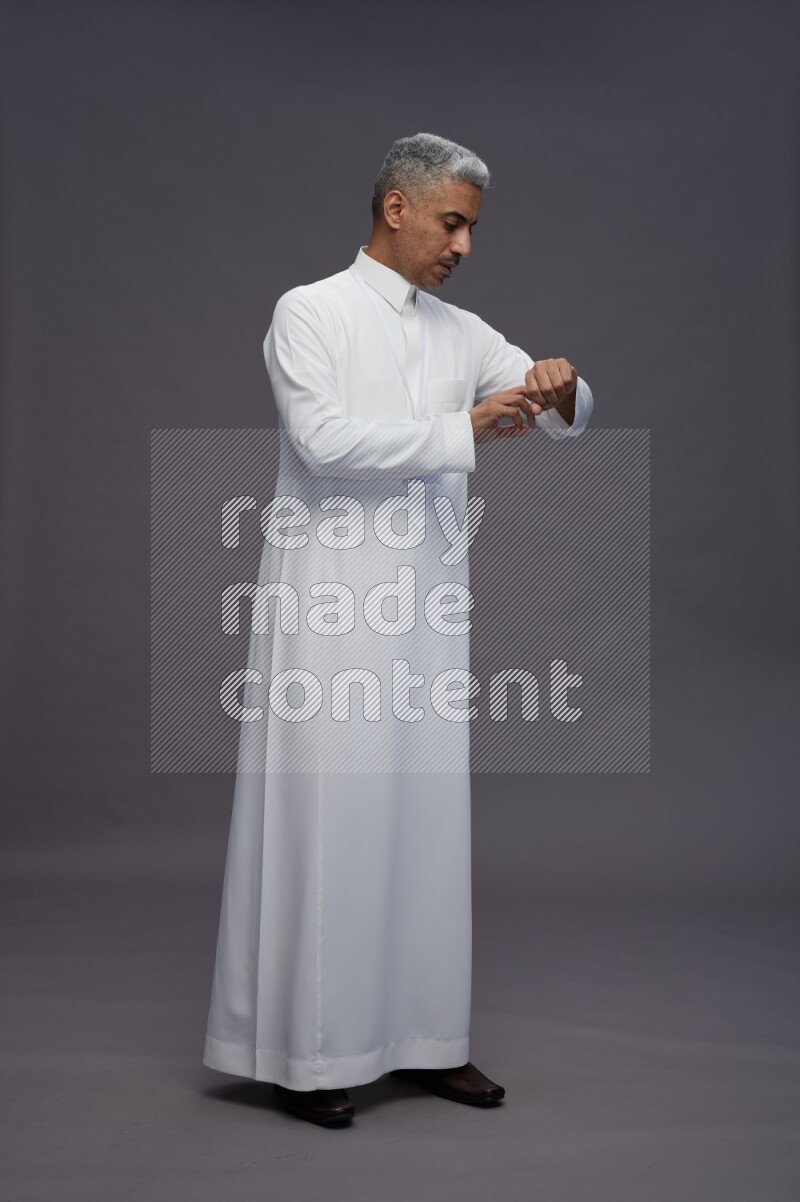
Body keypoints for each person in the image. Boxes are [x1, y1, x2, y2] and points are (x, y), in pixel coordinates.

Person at [203, 132, 594, 1126]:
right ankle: (313, 1050)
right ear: (397, 209)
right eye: (451, 222)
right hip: (330, 597)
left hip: (424, 598)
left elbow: (568, 410)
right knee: (336, 817)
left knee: (422, 820)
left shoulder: (458, 329)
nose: (463, 244)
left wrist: (556, 382)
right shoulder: (311, 310)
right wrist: (462, 430)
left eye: (470, 227)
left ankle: (426, 1038)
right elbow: (322, 441)